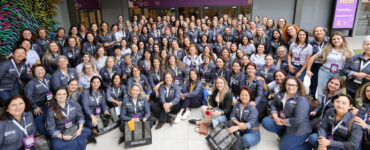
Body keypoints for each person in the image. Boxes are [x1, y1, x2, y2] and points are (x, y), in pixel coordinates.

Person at [262, 76, 311, 150]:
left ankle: (309, 146)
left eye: (293, 85)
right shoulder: (280, 94)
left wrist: (282, 121)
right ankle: (284, 135)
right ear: (285, 85)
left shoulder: (302, 100)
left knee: (284, 148)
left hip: (298, 128)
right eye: (288, 84)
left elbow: (298, 120)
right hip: (283, 122)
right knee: (266, 121)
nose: (290, 87)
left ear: (298, 86)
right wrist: (275, 118)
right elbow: (273, 105)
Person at [306, 31, 353, 100]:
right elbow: (312, 57)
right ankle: (320, 108)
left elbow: (350, 66)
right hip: (325, 71)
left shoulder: (348, 51)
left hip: (339, 73)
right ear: (331, 40)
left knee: (337, 92)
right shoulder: (326, 49)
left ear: (343, 39)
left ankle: (332, 108)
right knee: (322, 91)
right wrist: (308, 70)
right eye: (334, 39)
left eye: (338, 38)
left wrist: (347, 78)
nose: (336, 40)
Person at [24, 64, 52, 135]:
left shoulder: (47, 79)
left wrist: (49, 99)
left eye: (42, 70)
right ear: (34, 73)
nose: (40, 72)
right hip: (34, 104)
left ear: (45, 71)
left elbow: (50, 90)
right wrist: (35, 107)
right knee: (38, 119)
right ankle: (44, 133)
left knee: (50, 113)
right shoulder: (31, 83)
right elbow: (28, 97)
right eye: (37, 70)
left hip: (45, 102)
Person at [308, 26, 329, 98]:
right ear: (314, 34)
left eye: (320, 30)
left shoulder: (329, 41)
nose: (319, 32)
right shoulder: (311, 42)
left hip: (326, 66)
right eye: (316, 31)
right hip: (315, 66)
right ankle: (311, 97)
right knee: (313, 82)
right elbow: (310, 54)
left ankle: (325, 99)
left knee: (325, 84)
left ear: (324, 32)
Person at [356, 83, 370, 149]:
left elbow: (363, 124)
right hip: (361, 140)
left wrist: (366, 126)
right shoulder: (364, 105)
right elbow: (358, 121)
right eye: (367, 91)